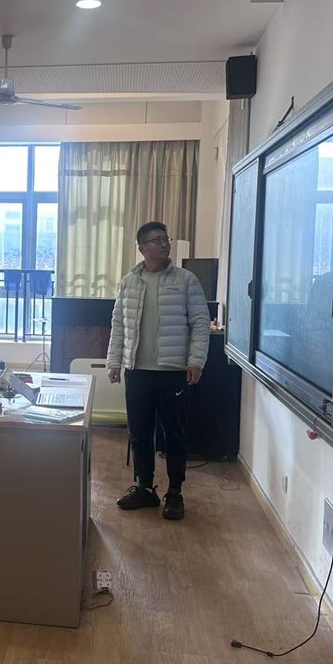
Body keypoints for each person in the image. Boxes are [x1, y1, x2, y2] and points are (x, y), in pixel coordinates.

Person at [107, 222, 210, 520]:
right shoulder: (129, 282)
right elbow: (118, 325)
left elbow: (200, 323)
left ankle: (175, 492)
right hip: (137, 369)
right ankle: (144, 487)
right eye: (156, 240)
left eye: (166, 239)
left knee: (174, 434)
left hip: (173, 370)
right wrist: (114, 361)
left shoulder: (186, 280)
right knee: (139, 433)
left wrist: (196, 361)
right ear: (142, 248)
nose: (164, 244)